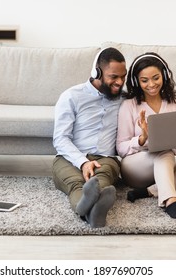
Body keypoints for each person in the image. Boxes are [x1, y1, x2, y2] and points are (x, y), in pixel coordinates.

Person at [116, 52, 176, 219]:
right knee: (164, 150)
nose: (151, 84)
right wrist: (143, 138)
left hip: (162, 165)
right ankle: (170, 201)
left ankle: (151, 190)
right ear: (136, 81)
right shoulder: (128, 105)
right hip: (135, 168)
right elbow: (121, 148)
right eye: (144, 80)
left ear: (164, 76)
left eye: (156, 78)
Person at [52, 47, 127, 228]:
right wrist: (83, 162)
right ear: (97, 73)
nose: (120, 82)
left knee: (101, 181)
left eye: (123, 76)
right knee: (76, 184)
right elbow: (60, 138)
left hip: (105, 159)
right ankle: (92, 211)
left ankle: (88, 212)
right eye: (113, 77)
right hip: (69, 158)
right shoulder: (71, 96)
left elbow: (158, 97)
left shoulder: (125, 98)